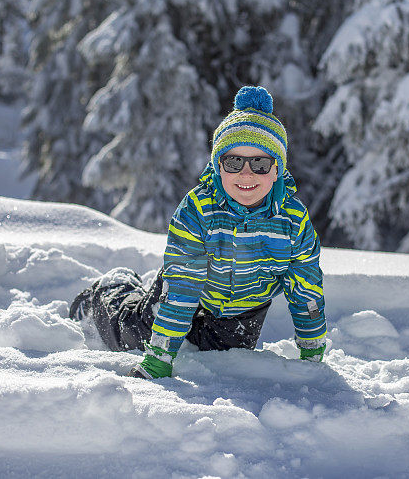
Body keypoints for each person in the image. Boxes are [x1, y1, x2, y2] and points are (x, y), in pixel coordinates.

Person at [69, 85, 327, 379]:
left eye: (260, 163)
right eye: (233, 162)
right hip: (186, 286)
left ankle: (187, 324)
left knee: (222, 359)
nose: (246, 174)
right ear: (218, 166)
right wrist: (159, 359)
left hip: (241, 311)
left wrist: (312, 349)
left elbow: (306, 287)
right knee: (132, 337)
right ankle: (110, 289)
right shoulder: (198, 210)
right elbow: (182, 289)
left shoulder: (293, 221)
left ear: (277, 170)